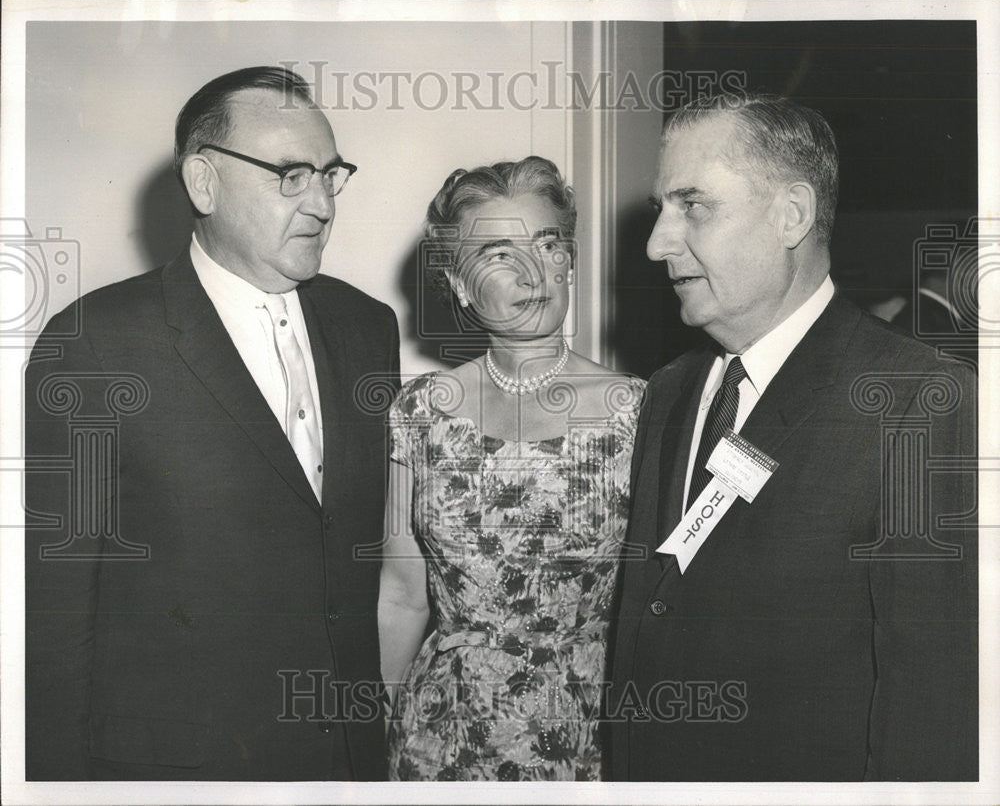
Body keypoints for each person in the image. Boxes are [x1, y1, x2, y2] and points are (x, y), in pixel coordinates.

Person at [25, 67, 399, 780]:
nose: (321, 203)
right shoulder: (96, 342)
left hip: (341, 765)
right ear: (203, 183)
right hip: (174, 773)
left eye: (329, 174)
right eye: (291, 175)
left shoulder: (366, 329)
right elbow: (54, 610)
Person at [610, 93, 977, 781]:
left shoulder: (920, 402)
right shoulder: (669, 392)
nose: (658, 242)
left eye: (694, 205)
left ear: (792, 215)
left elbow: (934, 704)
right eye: (662, 208)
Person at [378, 156, 645, 781]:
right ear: (461, 284)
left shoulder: (639, 410)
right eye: (499, 252)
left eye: (548, 243)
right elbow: (400, 594)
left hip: (589, 730)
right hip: (441, 733)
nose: (533, 271)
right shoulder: (421, 411)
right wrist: (379, 725)